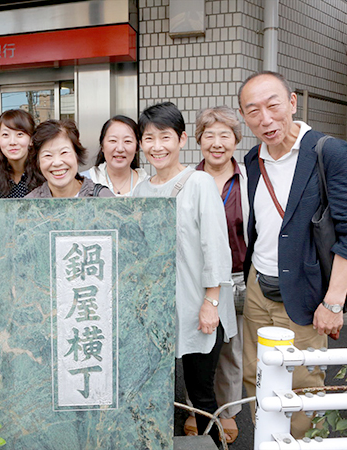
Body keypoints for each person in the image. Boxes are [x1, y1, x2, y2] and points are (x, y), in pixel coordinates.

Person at [239, 71, 347, 437]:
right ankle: (269, 440)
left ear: (292, 102)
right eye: (253, 111)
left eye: (273, 105)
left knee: (298, 384)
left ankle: (296, 444)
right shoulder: (253, 159)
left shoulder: (330, 151)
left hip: (305, 291)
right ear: (244, 116)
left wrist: (332, 302)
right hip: (257, 287)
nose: (265, 119)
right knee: (255, 374)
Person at [133, 102, 236, 446]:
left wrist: (211, 302)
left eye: (165, 137)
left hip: (198, 307)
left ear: (182, 139)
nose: (157, 146)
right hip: (156, 314)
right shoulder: (141, 190)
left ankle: (217, 445)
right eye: (149, 138)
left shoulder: (200, 183)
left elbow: (217, 248)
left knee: (201, 395)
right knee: (161, 397)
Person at [181, 106, 248, 444]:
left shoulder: (249, 179)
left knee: (231, 351)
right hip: (200, 280)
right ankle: (197, 410)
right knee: (200, 346)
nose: (217, 142)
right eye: (210, 135)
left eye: (225, 135)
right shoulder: (189, 180)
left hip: (239, 276)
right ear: (198, 140)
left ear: (236, 140)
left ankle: (229, 412)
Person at [26, 119, 115, 198]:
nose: (57, 162)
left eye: (64, 152)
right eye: (48, 155)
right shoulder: (29, 205)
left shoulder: (102, 198)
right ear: (37, 161)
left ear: (77, 154)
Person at [0, 109, 44, 202]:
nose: (12, 142)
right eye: (5, 135)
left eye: (20, 134)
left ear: (31, 140)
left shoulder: (43, 172)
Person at [82, 115, 148, 196]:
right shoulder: (84, 182)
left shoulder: (147, 184)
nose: (120, 149)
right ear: (102, 146)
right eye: (113, 140)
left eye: (127, 141)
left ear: (137, 148)